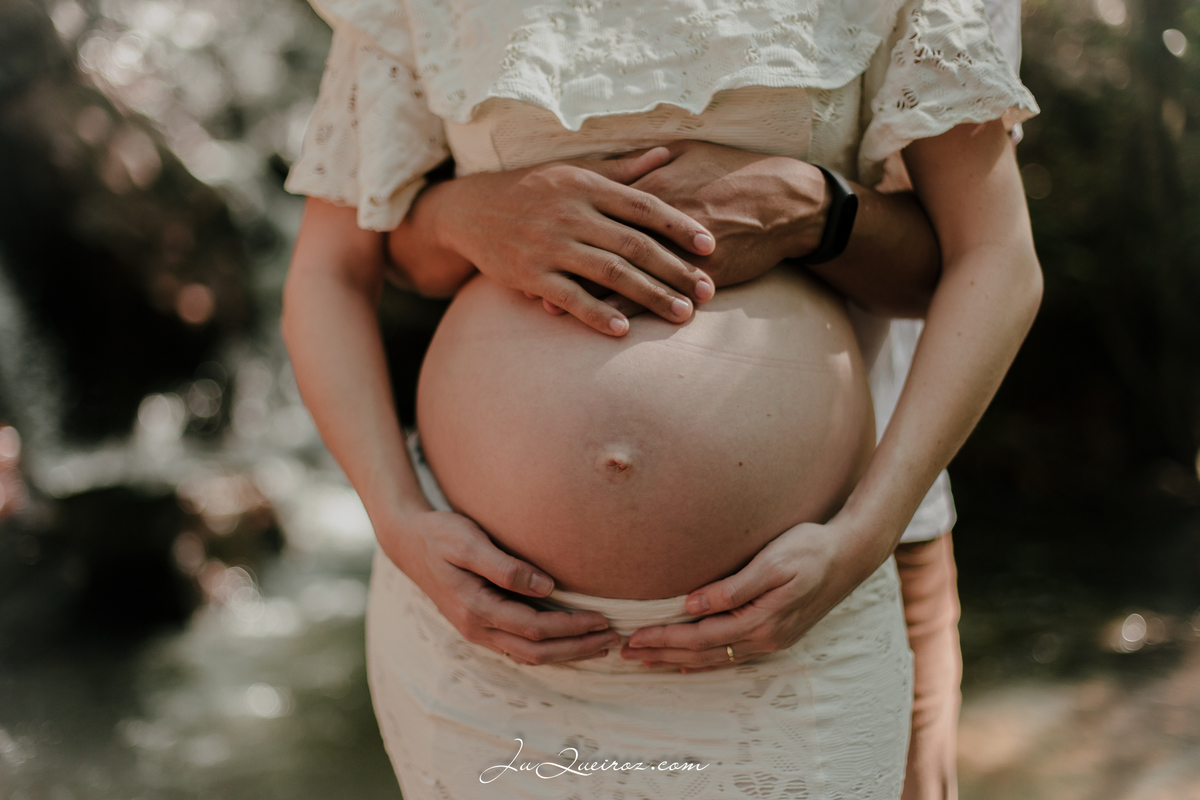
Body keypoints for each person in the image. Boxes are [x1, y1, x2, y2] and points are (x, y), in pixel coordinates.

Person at [281, 0, 1041, 796]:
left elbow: (993, 255)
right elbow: (333, 268)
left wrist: (863, 536)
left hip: (790, 624)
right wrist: (398, 521)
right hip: (482, 640)